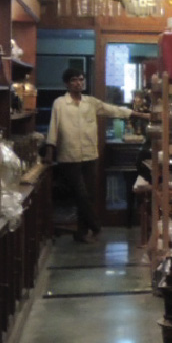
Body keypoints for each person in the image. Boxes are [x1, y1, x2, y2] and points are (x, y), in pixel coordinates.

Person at [45, 64, 130, 245]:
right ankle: (96, 226)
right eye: (74, 80)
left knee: (89, 196)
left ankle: (81, 233)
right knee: (81, 195)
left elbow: (112, 110)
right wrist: (49, 150)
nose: (78, 83)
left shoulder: (90, 103)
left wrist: (134, 113)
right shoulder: (60, 103)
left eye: (81, 79)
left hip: (90, 155)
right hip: (69, 157)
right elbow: (53, 126)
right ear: (67, 84)